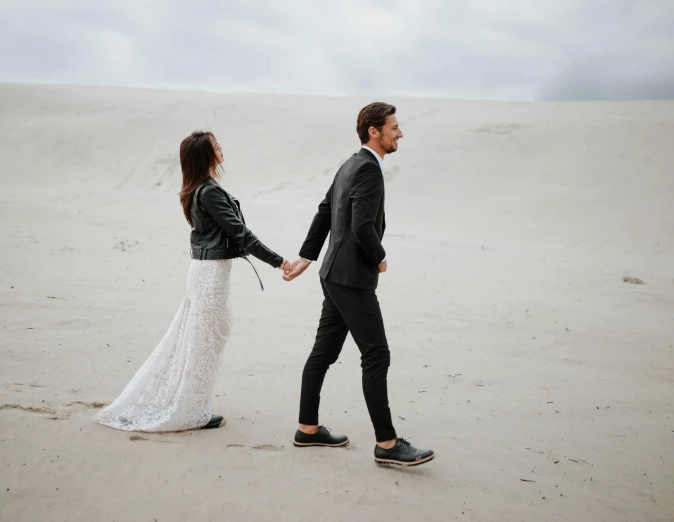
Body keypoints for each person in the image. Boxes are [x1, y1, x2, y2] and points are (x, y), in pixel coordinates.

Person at [93, 131, 290, 432]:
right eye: (216, 145)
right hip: (209, 273)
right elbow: (241, 234)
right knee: (205, 340)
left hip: (207, 270)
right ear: (205, 155)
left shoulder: (202, 188)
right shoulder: (208, 191)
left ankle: (195, 404)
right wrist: (279, 261)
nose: (222, 147)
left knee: (207, 337)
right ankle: (192, 410)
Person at [283, 102, 434, 466]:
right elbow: (361, 224)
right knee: (376, 354)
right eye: (394, 127)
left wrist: (307, 257)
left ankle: (307, 429)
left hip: (334, 274)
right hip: (351, 277)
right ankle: (387, 445)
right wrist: (379, 256)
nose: (400, 133)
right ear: (374, 132)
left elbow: (324, 210)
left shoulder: (350, 163)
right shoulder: (367, 169)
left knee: (324, 352)